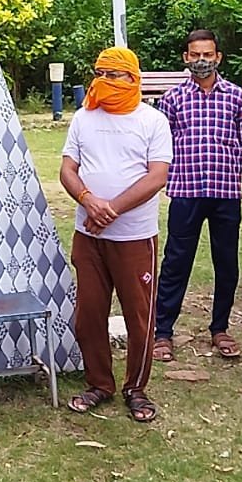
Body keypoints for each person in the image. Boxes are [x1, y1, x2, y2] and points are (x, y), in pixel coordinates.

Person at [60, 47, 173, 423]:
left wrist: (112, 210)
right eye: (99, 73)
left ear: (133, 78)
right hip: (88, 234)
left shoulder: (152, 121)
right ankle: (99, 383)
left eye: (114, 74)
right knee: (89, 313)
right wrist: (88, 200)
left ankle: (136, 388)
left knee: (139, 315)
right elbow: (67, 169)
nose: (104, 81)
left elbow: (157, 176)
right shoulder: (83, 118)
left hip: (134, 236)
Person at [152, 29, 242, 362]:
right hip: (185, 191)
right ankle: (163, 332)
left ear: (218, 57)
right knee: (176, 262)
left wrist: (226, 161)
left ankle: (220, 328)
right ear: (186, 58)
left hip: (225, 193)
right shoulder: (172, 100)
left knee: (226, 262)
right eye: (195, 55)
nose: (201, 61)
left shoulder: (236, 97)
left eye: (207, 54)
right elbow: (161, 146)